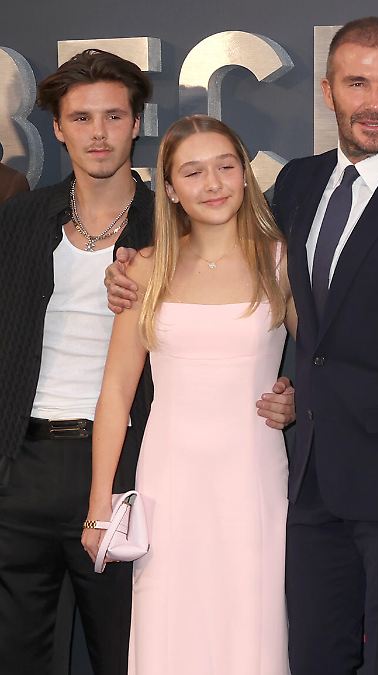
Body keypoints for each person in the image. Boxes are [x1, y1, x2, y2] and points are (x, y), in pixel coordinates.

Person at [104, 17, 378, 674]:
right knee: (309, 658)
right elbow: (222, 244)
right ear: (328, 91)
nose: (375, 102)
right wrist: (133, 260)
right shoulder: (300, 185)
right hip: (306, 484)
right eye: (357, 83)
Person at [0, 52, 292, 675]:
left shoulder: (157, 236)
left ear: (137, 124)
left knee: (139, 645)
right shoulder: (21, 220)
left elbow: (314, 346)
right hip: (25, 466)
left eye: (113, 116)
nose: (98, 133)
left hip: (137, 469)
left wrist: (293, 391)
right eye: (82, 117)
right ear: (57, 128)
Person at [83, 114, 297, 673]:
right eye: (194, 172)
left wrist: (298, 398)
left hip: (251, 477)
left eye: (225, 167)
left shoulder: (281, 262)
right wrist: (99, 505)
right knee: (169, 629)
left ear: (245, 175)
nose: (213, 184)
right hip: (169, 480)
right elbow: (115, 392)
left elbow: (329, 364)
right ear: (171, 189)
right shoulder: (144, 269)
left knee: (248, 626)